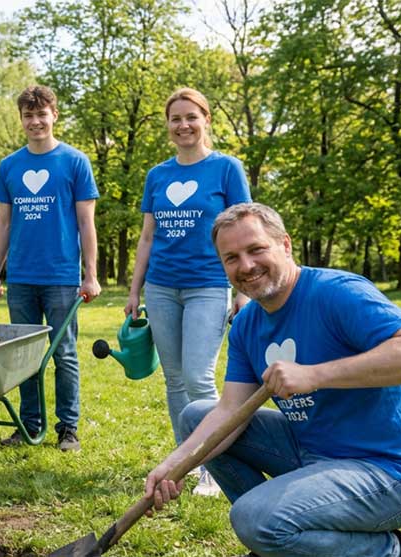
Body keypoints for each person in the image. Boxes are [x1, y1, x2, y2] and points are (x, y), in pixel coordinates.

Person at [144, 202, 401, 557]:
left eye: (256, 249)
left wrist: (316, 375)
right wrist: (175, 465)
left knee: (253, 519)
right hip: (315, 454)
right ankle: (279, 542)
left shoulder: (336, 293)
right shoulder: (245, 325)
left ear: (285, 245)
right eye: (231, 257)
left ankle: (393, 551)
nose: (246, 266)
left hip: (391, 471)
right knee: (196, 415)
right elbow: (229, 411)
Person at [125, 87, 251, 494]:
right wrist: (134, 289)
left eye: (191, 117)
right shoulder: (157, 175)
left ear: (206, 120)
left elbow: (246, 230)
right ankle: (184, 462)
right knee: (175, 380)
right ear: (168, 126)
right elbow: (147, 238)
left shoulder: (226, 169)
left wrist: (243, 290)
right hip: (161, 287)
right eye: (176, 119)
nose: (183, 125)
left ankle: (211, 465)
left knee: (199, 378)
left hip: (208, 286)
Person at [0, 85, 101, 452]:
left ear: (54, 115)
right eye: (28, 115)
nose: (35, 121)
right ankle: (28, 424)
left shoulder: (74, 162)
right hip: (21, 276)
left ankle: (68, 428)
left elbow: (86, 223)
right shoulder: (10, 165)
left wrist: (91, 274)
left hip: (61, 277)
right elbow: (3, 223)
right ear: (21, 120)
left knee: (63, 353)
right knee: (24, 355)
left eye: (41, 114)